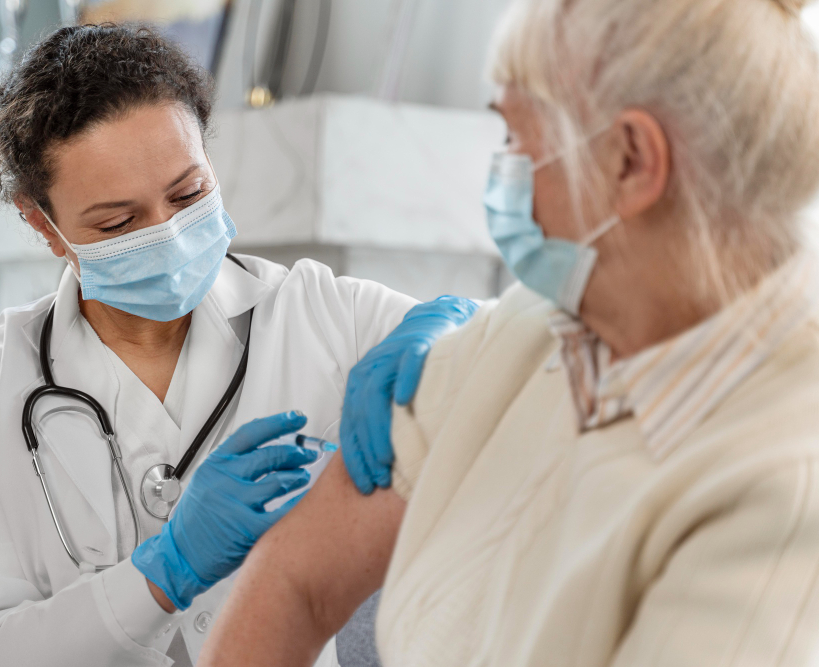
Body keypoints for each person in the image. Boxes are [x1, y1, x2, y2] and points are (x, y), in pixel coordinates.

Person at [198, 0, 819, 665]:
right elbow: (298, 581)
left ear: (632, 159)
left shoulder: (780, 486)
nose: (501, 178)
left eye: (519, 143)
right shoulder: (521, 335)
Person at [0, 24, 478, 667]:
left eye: (188, 193)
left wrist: (449, 320)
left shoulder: (317, 312)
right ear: (40, 222)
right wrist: (162, 572)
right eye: (118, 222)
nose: (171, 235)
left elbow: (532, 346)